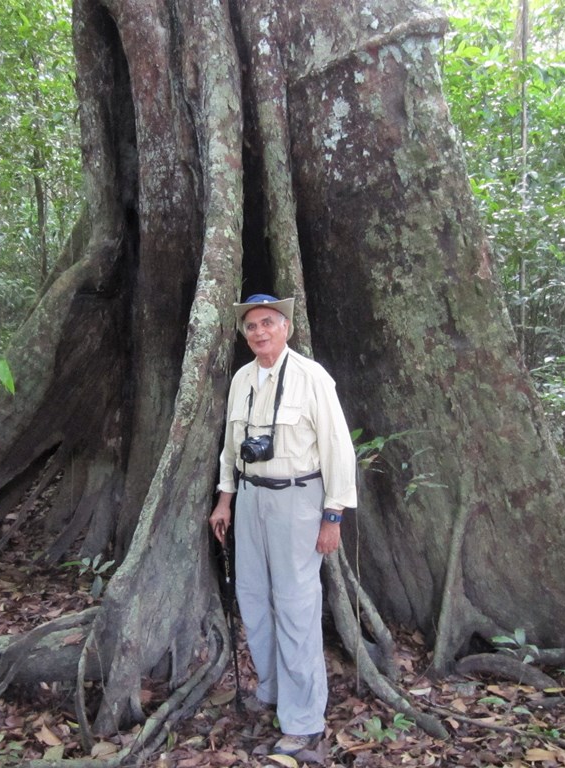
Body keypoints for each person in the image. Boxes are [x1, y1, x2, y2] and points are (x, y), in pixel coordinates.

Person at [209, 294, 358, 756]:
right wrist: (224, 500)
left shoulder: (312, 377)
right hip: (251, 500)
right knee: (253, 598)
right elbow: (232, 447)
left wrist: (333, 516)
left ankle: (303, 718)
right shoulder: (241, 379)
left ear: (286, 328)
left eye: (267, 323)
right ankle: (271, 693)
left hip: (299, 501)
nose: (259, 332)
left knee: (296, 605)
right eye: (251, 326)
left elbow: (338, 449)